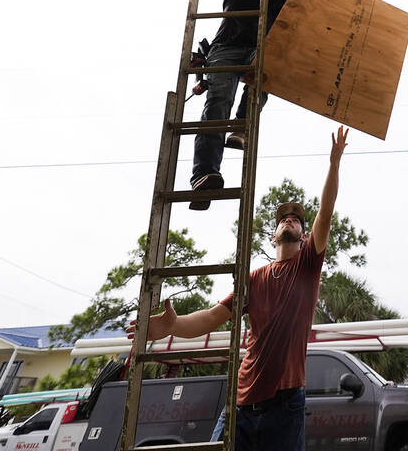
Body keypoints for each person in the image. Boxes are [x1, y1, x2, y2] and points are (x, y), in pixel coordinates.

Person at [130, 127, 349, 451]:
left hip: (285, 405)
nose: (289, 220)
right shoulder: (254, 278)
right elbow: (211, 316)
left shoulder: (306, 267)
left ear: (304, 236)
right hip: (240, 404)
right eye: (283, 218)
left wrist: (334, 164)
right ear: (273, 235)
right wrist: (173, 326)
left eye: (296, 219)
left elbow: (326, 213)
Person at [189, 0, 291, 208]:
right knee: (218, 103)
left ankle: (240, 126)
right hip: (227, 47)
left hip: (260, 49)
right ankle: (204, 175)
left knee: (266, 77)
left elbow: (315, 4)